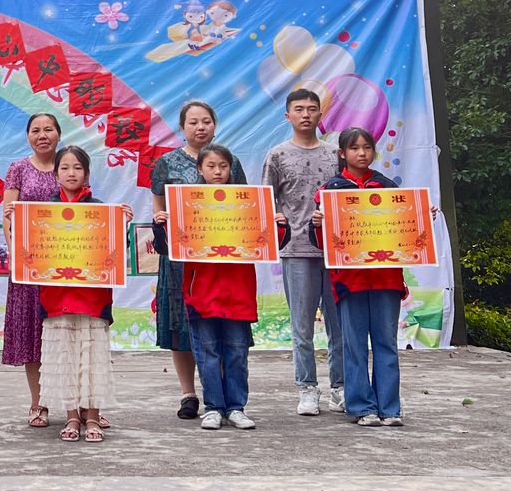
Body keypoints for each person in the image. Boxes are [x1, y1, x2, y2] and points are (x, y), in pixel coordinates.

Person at [153, 145, 290, 431]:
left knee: (237, 353)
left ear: (231, 169)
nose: (217, 171)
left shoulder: (249, 205)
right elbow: (166, 247)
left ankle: (236, 407)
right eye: (211, 166)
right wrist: (161, 226)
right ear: (199, 169)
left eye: (223, 166)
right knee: (207, 353)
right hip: (201, 293)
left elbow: (271, 243)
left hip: (238, 292)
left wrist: (280, 226)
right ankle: (213, 407)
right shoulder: (186, 205)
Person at [312, 127, 429, 427]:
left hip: (386, 278)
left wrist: (421, 216)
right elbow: (322, 244)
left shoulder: (387, 187)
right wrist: (319, 224)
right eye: (354, 148)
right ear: (342, 153)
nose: (361, 153)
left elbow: (406, 231)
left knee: (386, 342)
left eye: (366, 147)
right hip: (349, 280)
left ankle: (390, 408)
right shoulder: (330, 191)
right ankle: (362, 407)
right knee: (353, 344)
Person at [151, 99, 247, 420]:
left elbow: (245, 204)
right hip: (179, 261)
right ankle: (188, 394)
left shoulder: (229, 161)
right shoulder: (166, 163)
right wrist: (162, 224)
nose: (200, 127)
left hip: (221, 261)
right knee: (180, 326)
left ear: (214, 125)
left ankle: (220, 397)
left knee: (219, 326)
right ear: (182, 127)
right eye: (193, 122)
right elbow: (158, 204)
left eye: (206, 121)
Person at [262, 88, 345, 416]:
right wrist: (277, 220)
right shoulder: (277, 155)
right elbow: (264, 201)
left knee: (340, 325)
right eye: (299, 109)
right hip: (296, 250)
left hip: (337, 252)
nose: (306, 114)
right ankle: (307, 388)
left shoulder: (335, 154)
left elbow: (351, 196)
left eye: (312, 109)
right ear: (288, 116)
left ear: (320, 114)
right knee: (302, 326)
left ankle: (340, 387)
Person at [38, 146, 114, 443]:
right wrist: (16, 223)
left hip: (93, 297)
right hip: (57, 296)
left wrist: (121, 224)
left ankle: (92, 416)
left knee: (92, 358)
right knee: (65, 356)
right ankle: (71, 416)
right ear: (56, 173)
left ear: (87, 173)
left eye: (78, 168)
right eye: (65, 168)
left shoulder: (100, 210)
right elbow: (31, 252)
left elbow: (113, 252)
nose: (71, 173)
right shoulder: (42, 213)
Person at [0, 113, 62, 429]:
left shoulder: (70, 164)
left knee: (68, 333)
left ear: (58, 134)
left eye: (48, 129)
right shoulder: (18, 168)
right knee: (33, 336)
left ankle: (82, 406)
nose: (42, 135)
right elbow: (8, 215)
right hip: (29, 267)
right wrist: (15, 252)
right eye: (35, 130)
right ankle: (39, 404)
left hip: (65, 266)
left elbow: (85, 209)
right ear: (27, 136)